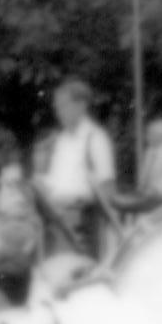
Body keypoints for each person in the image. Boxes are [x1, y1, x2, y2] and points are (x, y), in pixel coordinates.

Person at [35, 79, 118, 260]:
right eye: (57, 106)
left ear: (81, 106)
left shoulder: (95, 138)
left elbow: (107, 186)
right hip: (58, 219)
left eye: (63, 105)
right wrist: (39, 182)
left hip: (83, 221)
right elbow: (58, 182)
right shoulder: (61, 140)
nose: (58, 111)